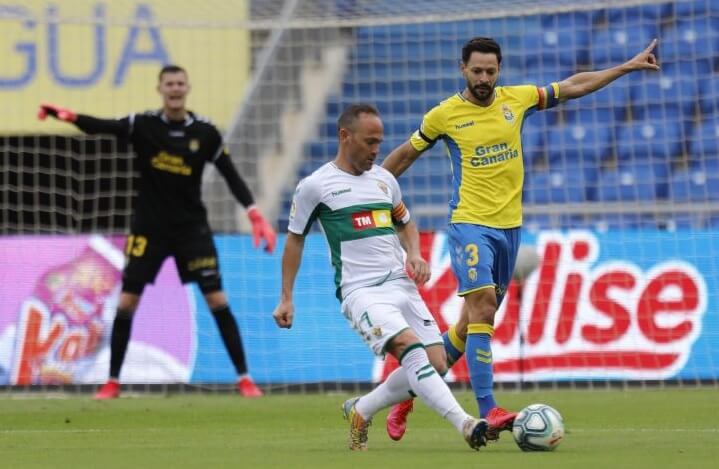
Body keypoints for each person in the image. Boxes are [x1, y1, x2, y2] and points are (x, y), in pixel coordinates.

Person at [381, 37, 660, 441]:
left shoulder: (518, 100)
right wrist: (373, 191)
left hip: (509, 228)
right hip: (469, 225)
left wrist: (624, 68)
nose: (483, 78)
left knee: (467, 328)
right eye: (476, 71)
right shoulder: (444, 115)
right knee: (483, 306)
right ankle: (488, 408)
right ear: (463, 69)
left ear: (499, 70)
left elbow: (574, 86)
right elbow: (405, 155)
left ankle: (408, 392)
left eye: (490, 71)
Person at [37, 64, 277, 399]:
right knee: (127, 300)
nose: (175, 89)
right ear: (160, 89)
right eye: (169, 84)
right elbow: (101, 126)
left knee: (217, 298)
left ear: (187, 87)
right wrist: (67, 115)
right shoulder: (143, 125)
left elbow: (231, 174)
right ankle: (112, 382)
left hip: (191, 230)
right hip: (149, 229)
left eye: (180, 83)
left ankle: (245, 379)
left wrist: (253, 213)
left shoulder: (206, 133)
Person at [272, 104, 488, 451]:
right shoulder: (316, 186)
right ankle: (465, 423)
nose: (377, 150)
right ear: (345, 137)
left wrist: (414, 253)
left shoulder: (384, 181)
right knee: (409, 350)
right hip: (361, 290)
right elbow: (295, 239)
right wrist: (286, 297)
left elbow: (405, 222)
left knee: (438, 363)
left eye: (380, 143)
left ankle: (362, 409)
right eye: (370, 142)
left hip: (400, 284)